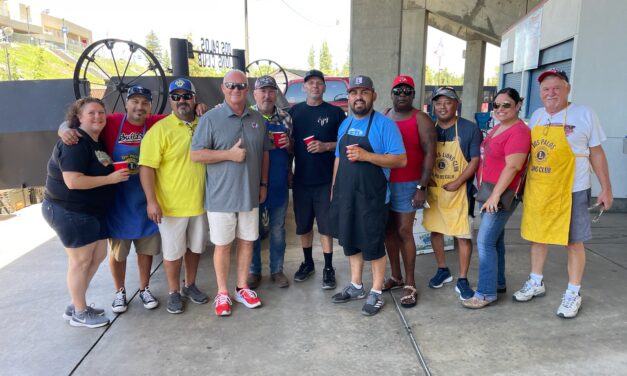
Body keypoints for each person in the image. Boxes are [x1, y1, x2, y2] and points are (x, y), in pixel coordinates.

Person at [514, 69, 613, 318]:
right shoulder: (535, 116)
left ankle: (573, 292)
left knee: (573, 241)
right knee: (538, 237)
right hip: (539, 189)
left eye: (556, 88)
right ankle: (536, 281)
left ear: (567, 89)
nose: (551, 93)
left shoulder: (584, 113)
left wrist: (606, 188)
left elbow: (597, 153)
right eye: (546, 89)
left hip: (573, 190)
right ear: (540, 93)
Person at [43, 97, 129, 328]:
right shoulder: (74, 142)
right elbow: (73, 181)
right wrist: (109, 179)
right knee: (81, 261)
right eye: (91, 113)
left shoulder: (94, 141)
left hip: (92, 212)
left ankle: (76, 302)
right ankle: (79, 311)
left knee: (98, 255)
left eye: (101, 112)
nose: (98, 117)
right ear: (78, 117)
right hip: (69, 209)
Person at [191, 69, 271, 316]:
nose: (236, 90)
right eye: (231, 86)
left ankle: (242, 287)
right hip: (221, 197)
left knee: (248, 241)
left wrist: (263, 184)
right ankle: (223, 292)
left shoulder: (257, 119)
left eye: (241, 86)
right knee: (223, 246)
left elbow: (265, 154)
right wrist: (229, 154)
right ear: (224, 89)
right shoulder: (210, 119)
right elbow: (196, 155)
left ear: (247, 90)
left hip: (250, 194)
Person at [329, 75, 406, 316]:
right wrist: (334, 189)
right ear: (349, 97)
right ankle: (355, 286)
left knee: (373, 245)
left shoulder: (385, 125)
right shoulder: (345, 124)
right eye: (354, 92)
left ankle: (376, 292)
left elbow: (400, 160)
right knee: (351, 242)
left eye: (364, 92)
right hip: (346, 196)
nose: (358, 97)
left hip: (372, 198)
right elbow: (339, 159)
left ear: (373, 95)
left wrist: (367, 156)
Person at [139, 78, 209, 314]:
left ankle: (189, 285)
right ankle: (173, 291)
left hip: (201, 203)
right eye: (176, 97)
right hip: (171, 206)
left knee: (195, 249)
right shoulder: (159, 131)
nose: (182, 101)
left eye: (186, 96)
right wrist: (152, 201)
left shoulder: (205, 123)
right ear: (170, 100)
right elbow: (146, 167)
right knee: (172, 252)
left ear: (194, 98)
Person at [462, 88, 530, 309]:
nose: (500, 109)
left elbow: (513, 166)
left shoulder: (519, 131)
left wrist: (495, 195)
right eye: (496, 105)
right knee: (495, 240)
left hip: (500, 194)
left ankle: (485, 293)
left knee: (484, 241)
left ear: (518, 105)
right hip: (488, 191)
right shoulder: (499, 128)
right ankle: (497, 283)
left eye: (506, 105)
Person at [423, 86, 483, 301]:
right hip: (435, 190)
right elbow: (422, 155)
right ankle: (442, 270)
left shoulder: (469, 129)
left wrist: (458, 181)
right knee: (436, 231)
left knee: (463, 235)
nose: (442, 107)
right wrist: (426, 177)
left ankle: (463, 279)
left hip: (460, 193)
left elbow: (475, 159)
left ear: (456, 104)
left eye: (447, 102)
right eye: (438, 103)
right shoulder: (429, 127)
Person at [289, 69, 346, 289]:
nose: (315, 86)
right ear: (304, 87)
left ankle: (329, 267)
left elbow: (344, 143)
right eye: (310, 83)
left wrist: (325, 146)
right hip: (302, 180)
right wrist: (288, 170)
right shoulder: (295, 112)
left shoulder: (335, 113)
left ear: (324, 88)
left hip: (325, 181)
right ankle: (308, 263)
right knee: (303, 226)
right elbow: (291, 146)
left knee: (326, 227)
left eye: (319, 83)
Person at [382, 75, 436, 308]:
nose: (402, 94)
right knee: (388, 231)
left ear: (413, 95)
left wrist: (421, 187)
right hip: (384, 182)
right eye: (398, 91)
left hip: (408, 183)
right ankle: (396, 276)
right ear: (391, 94)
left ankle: (410, 282)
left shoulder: (421, 119)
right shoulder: (384, 116)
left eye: (407, 91)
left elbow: (430, 154)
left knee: (404, 231)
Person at [246, 76, 292, 289]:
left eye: (271, 91)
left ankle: (277, 270)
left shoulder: (286, 118)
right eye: (262, 91)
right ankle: (254, 271)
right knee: (252, 230)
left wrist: (289, 144)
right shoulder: (246, 117)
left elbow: (293, 152)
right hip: (252, 184)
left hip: (278, 182)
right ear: (254, 94)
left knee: (277, 229)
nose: (267, 95)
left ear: (276, 94)